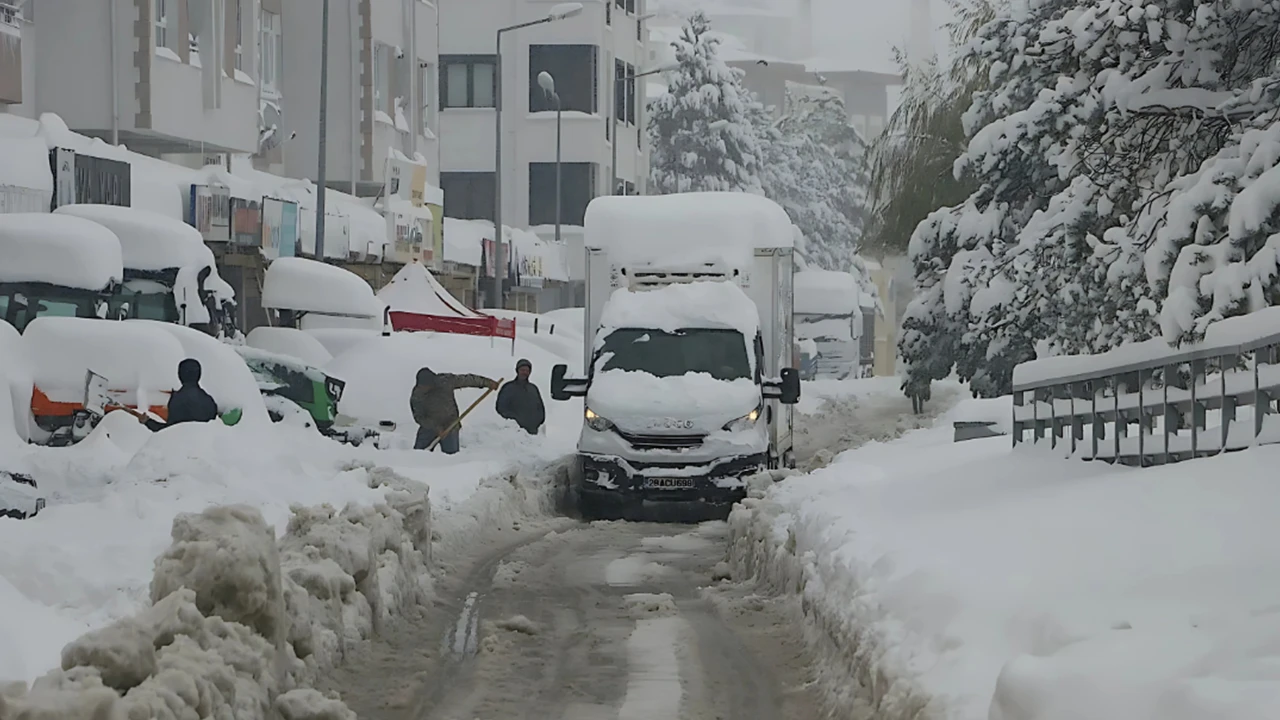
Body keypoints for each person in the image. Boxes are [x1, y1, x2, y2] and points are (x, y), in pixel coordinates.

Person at [410, 367, 499, 453]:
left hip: (450, 425)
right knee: (419, 455)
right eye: (421, 386)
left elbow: (467, 380)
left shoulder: (445, 381)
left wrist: (487, 382)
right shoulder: (417, 395)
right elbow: (419, 417)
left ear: (432, 383)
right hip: (429, 427)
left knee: (452, 457)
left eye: (425, 386)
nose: (423, 388)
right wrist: (436, 428)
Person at [143, 358, 219, 431]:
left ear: (180, 375)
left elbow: (170, 431)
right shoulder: (209, 401)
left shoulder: (177, 400)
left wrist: (148, 422)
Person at [496, 358, 546, 435]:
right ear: (517, 371)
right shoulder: (508, 387)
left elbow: (540, 407)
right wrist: (515, 419)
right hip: (515, 432)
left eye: (527, 370)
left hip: (533, 432)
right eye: (522, 370)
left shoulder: (533, 388)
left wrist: (539, 420)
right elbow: (501, 407)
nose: (525, 372)